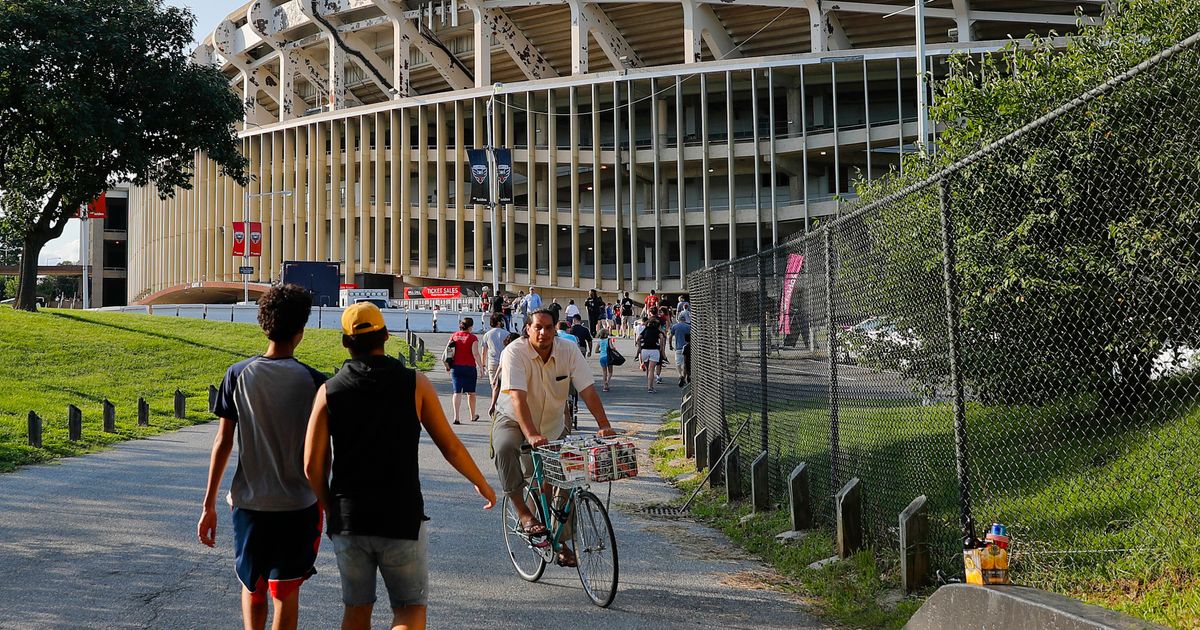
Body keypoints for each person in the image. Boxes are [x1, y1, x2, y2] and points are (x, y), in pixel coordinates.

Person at [303, 303, 496, 630]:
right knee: (409, 609)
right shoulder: (414, 384)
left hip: (350, 518)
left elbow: (311, 465)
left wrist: (331, 507)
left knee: (356, 609)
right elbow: (449, 445)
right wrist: (481, 482)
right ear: (387, 335)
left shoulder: (328, 391)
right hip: (401, 516)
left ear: (345, 343)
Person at [198, 284, 326, 630]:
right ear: (301, 332)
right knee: (284, 592)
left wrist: (208, 505)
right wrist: (327, 500)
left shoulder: (237, 375)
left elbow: (223, 441)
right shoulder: (315, 382)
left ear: (262, 324)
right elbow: (323, 452)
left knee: (252, 587)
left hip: (249, 504)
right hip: (299, 505)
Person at [491, 308, 617, 567]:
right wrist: (532, 434)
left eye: (549, 328)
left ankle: (559, 541)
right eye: (538, 327)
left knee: (564, 479)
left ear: (555, 331)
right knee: (504, 448)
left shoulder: (568, 351)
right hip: (515, 419)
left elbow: (588, 390)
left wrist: (604, 425)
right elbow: (517, 398)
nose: (543, 332)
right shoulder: (514, 352)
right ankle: (524, 513)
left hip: (553, 425)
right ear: (527, 329)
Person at [447, 318, 483, 424]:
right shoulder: (472, 338)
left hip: (456, 367)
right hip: (469, 367)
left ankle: (456, 417)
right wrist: (481, 367)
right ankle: (472, 415)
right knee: (471, 393)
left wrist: (447, 365)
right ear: (470, 327)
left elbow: (449, 351)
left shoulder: (454, 336)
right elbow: (475, 353)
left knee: (457, 392)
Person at [480, 313, 510, 407]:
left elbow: (483, 352)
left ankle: (494, 404)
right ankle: (502, 405)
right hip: (505, 363)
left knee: (494, 386)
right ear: (499, 322)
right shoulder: (507, 334)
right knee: (504, 386)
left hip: (492, 363)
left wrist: (483, 365)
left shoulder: (487, 335)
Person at [637, 316, 666, 393]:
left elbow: (638, 338)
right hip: (654, 350)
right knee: (652, 369)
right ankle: (650, 387)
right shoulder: (657, 331)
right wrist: (661, 346)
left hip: (645, 350)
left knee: (647, 369)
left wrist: (639, 347)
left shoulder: (646, 329)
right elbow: (662, 337)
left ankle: (649, 384)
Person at [669, 316, 691, 388]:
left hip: (678, 347)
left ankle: (680, 375)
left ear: (678, 320)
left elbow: (670, 336)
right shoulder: (689, 327)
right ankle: (684, 377)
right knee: (685, 363)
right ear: (685, 320)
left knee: (678, 363)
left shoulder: (675, 326)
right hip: (687, 347)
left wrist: (670, 345)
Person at [596, 328, 614, 392]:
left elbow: (596, 350)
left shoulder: (599, 341)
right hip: (608, 357)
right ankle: (607, 382)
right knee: (610, 372)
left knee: (604, 372)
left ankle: (604, 386)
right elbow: (611, 347)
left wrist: (601, 351)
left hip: (602, 357)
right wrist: (614, 349)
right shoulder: (608, 340)